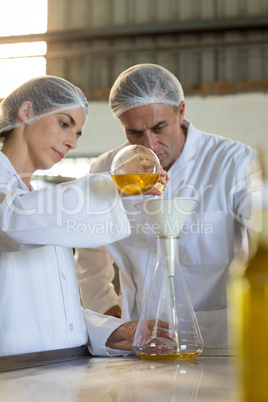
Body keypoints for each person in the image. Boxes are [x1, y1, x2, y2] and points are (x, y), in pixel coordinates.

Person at [75, 63, 260, 347]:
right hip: (141, 340)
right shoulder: (107, 169)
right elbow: (90, 251)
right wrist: (109, 316)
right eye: (134, 133)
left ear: (181, 111)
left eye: (159, 127)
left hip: (218, 337)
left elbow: (263, 238)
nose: (150, 143)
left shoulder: (233, 162)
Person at [0, 75, 168, 357]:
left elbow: (53, 300)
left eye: (77, 134)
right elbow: (10, 226)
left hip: (52, 371)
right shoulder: (20, 204)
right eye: (64, 124)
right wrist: (112, 184)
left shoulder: (36, 199)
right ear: (27, 112)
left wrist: (107, 330)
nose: (72, 143)